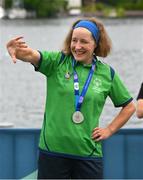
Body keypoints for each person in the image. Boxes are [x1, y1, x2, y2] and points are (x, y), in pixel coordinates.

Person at [6, 17, 135, 179]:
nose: (77, 46)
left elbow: (129, 107)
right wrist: (15, 50)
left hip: (88, 154)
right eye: (74, 40)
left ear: (96, 44)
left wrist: (109, 129)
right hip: (53, 151)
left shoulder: (107, 73)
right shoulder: (57, 62)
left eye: (84, 42)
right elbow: (32, 54)